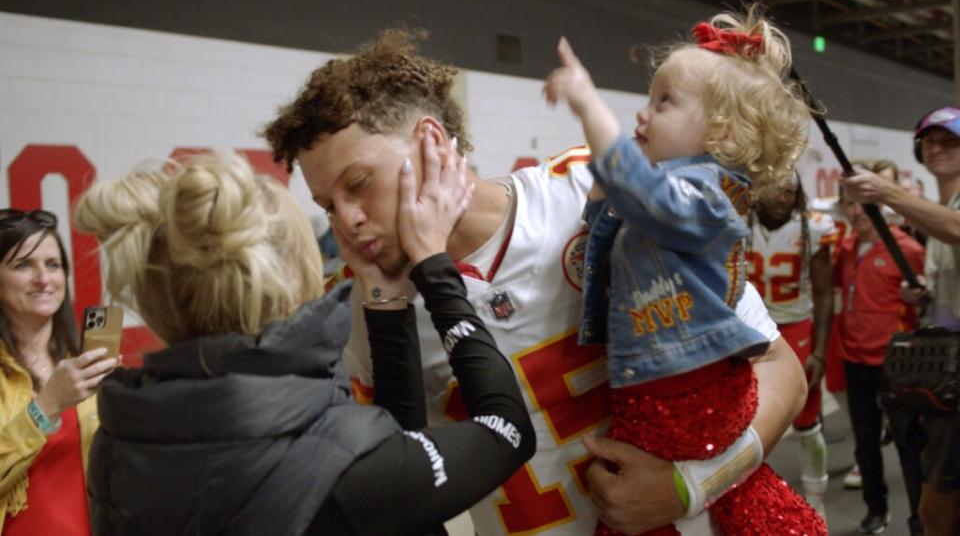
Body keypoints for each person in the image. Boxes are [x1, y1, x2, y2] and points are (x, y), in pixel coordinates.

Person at [263, 28, 809, 536]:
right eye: (327, 204)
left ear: (430, 141)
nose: (348, 219)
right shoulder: (365, 308)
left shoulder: (587, 194)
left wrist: (691, 488)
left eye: (359, 183)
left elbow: (780, 368)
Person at [74, 147, 536, 535]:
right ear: (291, 281)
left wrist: (385, 300)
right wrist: (434, 267)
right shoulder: (340, 467)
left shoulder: (118, 440)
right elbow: (507, 429)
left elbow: (386, 455)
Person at [543, 8, 823, 535]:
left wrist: (587, 102)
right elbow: (603, 228)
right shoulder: (672, 194)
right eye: (648, 100)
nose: (643, 115)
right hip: (653, 395)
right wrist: (605, 195)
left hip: (694, 396)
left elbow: (642, 193)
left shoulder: (709, 196)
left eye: (664, 102)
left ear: (721, 131)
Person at [843, 105, 960, 536]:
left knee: (938, 511)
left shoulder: (946, 213)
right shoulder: (941, 210)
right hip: (945, 377)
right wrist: (925, 298)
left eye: (951, 140)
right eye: (930, 140)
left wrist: (887, 194)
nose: (938, 147)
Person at [0, 209, 118, 534]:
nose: (43, 278)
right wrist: (46, 406)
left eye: (53, 265)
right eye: (23, 265)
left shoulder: (83, 363)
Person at [833, 190, 926, 535]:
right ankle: (876, 508)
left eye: (862, 202)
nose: (856, 211)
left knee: (909, 445)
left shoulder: (908, 250)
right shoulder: (846, 248)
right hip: (855, 359)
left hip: (896, 362)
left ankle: (920, 519)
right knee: (865, 440)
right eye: (849, 203)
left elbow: (926, 305)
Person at [746, 175, 836, 516]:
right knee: (746, 418)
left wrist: (819, 350)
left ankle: (816, 502)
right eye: (776, 188)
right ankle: (751, 502)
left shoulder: (813, 227)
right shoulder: (740, 220)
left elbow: (825, 292)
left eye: (790, 189)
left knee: (806, 421)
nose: (783, 196)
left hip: (796, 325)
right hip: (752, 328)